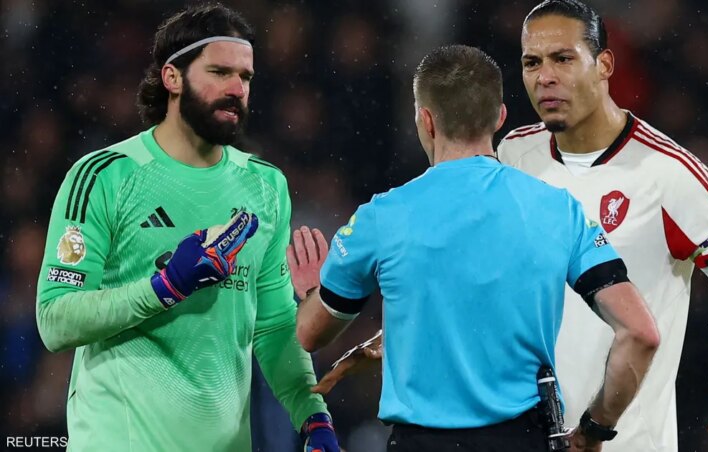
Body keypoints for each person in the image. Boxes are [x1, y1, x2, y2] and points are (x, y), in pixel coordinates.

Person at [288, 44, 660, 452]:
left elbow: (309, 333)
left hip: (421, 445)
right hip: (523, 441)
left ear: (426, 120)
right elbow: (640, 332)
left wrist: (311, 293)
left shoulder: (383, 217)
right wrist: (594, 430)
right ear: (500, 117)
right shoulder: (559, 211)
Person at [35, 4, 339, 451]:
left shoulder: (266, 186)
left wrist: (313, 417)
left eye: (246, 77)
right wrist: (165, 287)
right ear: (172, 77)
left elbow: (274, 328)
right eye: (220, 72)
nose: (237, 89)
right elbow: (56, 320)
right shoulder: (104, 176)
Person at [497, 1, 708, 450]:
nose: (545, 77)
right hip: (529, 438)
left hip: (627, 442)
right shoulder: (514, 156)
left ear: (604, 64)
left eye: (563, 58)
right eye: (532, 62)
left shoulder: (668, 175)